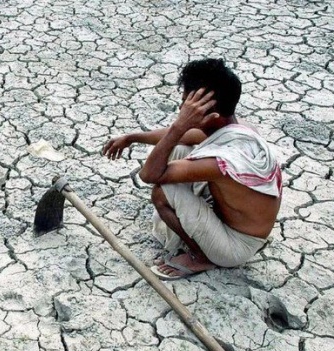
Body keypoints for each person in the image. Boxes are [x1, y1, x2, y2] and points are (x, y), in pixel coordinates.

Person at [102, 58, 281, 279]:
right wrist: (131, 138)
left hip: (234, 246)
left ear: (210, 112)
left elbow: (148, 175)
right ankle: (200, 237)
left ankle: (201, 257)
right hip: (233, 220)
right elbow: (183, 137)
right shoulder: (233, 127)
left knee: (162, 192)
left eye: (187, 104)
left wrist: (180, 124)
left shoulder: (221, 162)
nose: (182, 109)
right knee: (179, 149)